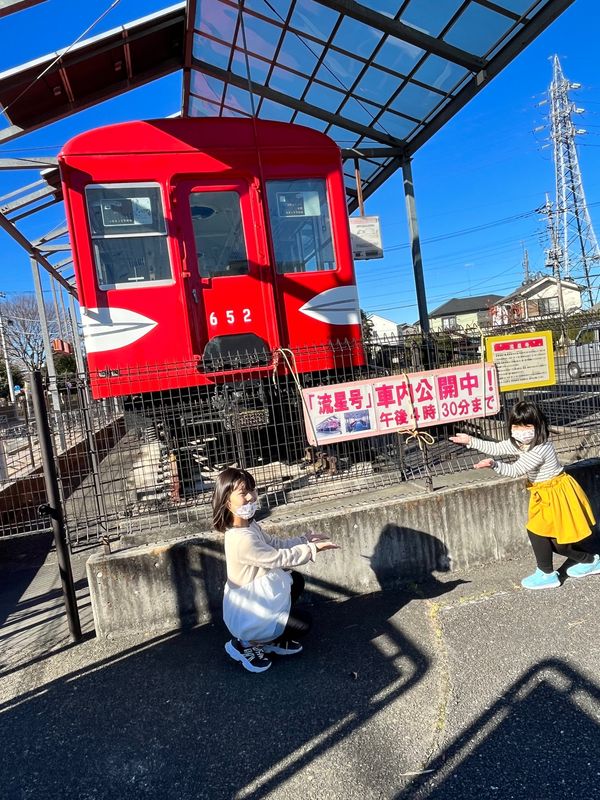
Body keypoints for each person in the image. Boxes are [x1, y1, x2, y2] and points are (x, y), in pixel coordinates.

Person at [450, 400, 598, 590]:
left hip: (556, 494)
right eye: (516, 426)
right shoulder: (523, 444)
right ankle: (588, 560)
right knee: (554, 540)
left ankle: (548, 573)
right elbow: (498, 448)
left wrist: (494, 464)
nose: (521, 431)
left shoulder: (540, 448)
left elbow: (516, 469)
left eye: (527, 426)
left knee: (541, 533)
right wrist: (470, 441)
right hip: (544, 493)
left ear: (538, 426)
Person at [212, 466, 338, 673]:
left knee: (295, 580)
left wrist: (304, 540)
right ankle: (245, 644)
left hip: (256, 599)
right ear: (227, 501)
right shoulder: (241, 539)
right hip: (247, 614)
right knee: (303, 623)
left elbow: (275, 544)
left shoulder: (248, 526)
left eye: (252, 490)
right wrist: (312, 549)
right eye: (243, 493)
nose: (251, 497)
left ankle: (267, 639)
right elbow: (278, 557)